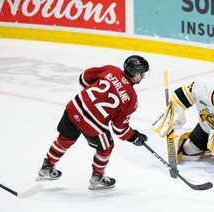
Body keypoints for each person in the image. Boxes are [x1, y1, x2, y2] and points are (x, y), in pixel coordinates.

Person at [36, 55, 149, 190]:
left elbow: (83, 77)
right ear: (134, 73)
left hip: (74, 107)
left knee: (65, 138)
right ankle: (97, 177)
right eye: (141, 73)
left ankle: (46, 167)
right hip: (93, 123)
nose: (142, 76)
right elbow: (119, 129)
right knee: (106, 147)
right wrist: (134, 136)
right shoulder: (132, 98)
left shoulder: (111, 70)